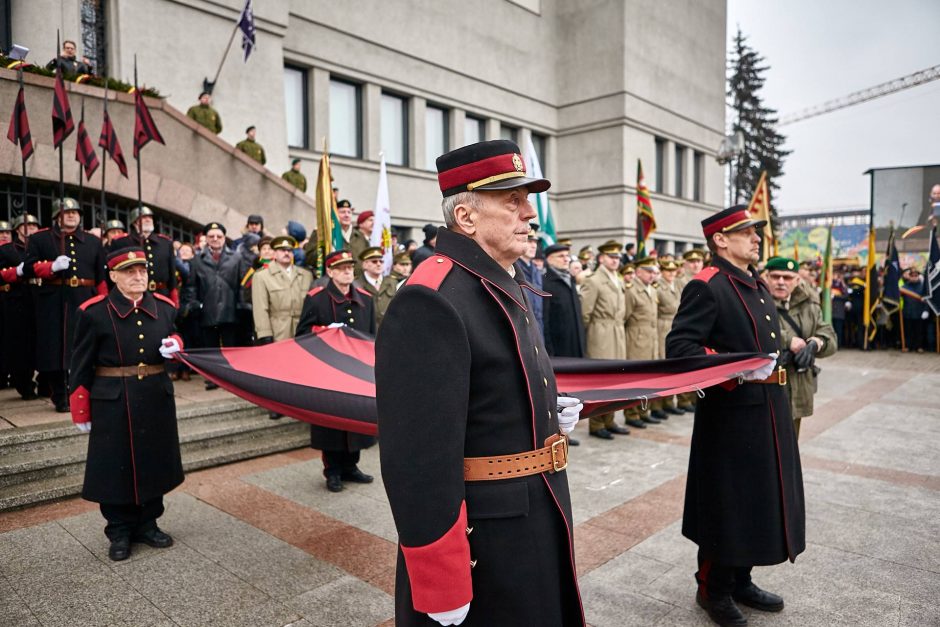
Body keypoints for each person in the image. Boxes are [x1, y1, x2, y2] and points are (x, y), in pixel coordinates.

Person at [376, 139, 584, 626]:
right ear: (466, 218)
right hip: (486, 534)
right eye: (512, 201)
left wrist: (548, 412)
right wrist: (439, 576)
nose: (529, 214)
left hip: (536, 505)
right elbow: (417, 457)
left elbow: (489, 390)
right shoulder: (434, 297)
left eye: (526, 200)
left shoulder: (499, 278)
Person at [666, 205, 805, 627]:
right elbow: (681, 349)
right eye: (746, 232)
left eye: (755, 232)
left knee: (757, 501)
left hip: (769, 411)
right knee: (727, 504)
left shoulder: (755, 284)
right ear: (720, 239)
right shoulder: (707, 285)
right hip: (730, 416)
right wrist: (737, 369)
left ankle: (741, 577)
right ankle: (713, 588)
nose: (756, 237)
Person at [69, 247, 184, 562]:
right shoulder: (92, 312)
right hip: (112, 399)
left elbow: (173, 335)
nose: (138, 277)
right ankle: (119, 530)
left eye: (143, 271)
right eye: (130, 272)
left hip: (155, 396)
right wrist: (80, 405)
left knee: (154, 459)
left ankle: (148, 523)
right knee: (114, 464)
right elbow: (80, 363)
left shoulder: (165, 307)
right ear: (113, 276)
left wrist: (177, 345)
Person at [296, 249, 376, 493]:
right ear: (329, 272)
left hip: (356, 369)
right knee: (330, 424)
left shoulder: (366, 299)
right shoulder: (316, 298)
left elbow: (371, 336)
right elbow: (302, 335)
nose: (348, 272)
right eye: (341, 268)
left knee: (355, 419)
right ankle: (332, 471)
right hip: (328, 370)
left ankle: (351, 466)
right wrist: (325, 330)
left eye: (351, 267)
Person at [24, 198, 107, 412]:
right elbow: (29, 267)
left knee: (84, 345)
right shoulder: (40, 239)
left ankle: (84, 390)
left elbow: (101, 278)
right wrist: (51, 266)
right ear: (56, 216)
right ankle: (60, 395)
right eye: (66, 212)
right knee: (56, 349)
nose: (71, 215)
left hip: (84, 297)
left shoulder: (93, 242)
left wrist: (103, 301)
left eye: (75, 212)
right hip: (54, 299)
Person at [766, 256, 838, 438]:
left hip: (798, 387)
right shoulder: (758, 303)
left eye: (787, 277)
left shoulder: (809, 304)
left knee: (790, 445)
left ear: (797, 280)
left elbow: (829, 335)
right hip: (768, 388)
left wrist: (816, 343)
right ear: (766, 277)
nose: (781, 282)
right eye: (775, 277)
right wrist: (788, 340)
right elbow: (753, 331)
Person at [190, 222, 250, 388]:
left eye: (219, 236)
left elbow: (242, 284)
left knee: (230, 345)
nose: (215, 239)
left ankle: (231, 377)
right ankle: (213, 378)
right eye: (211, 236)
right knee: (211, 347)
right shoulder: (197, 259)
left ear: (224, 238)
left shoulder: (236, 258)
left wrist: (242, 305)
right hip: (207, 309)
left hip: (230, 308)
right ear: (206, 238)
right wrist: (195, 304)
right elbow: (192, 286)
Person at [581, 240, 631, 439]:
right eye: (611, 257)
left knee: (616, 379)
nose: (615, 260)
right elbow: (585, 313)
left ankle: (609, 420)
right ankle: (596, 423)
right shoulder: (594, 280)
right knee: (601, 380)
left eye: (618, 257)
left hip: (617, 331)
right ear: (601, 258)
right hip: (601, 332)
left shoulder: (617, 278)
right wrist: (590, 336)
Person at [0, 214, 40, 400]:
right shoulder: (9, 250)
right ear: (19, 230)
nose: (30, 229)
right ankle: (23, 383)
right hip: (15, 301)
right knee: (19, 345)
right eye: (26, 226)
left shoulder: (38, 246)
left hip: (36, 299)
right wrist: (17, 272)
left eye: (33, 226)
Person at [623, 257, 663, 425]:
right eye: (648, 271)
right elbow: (625, 317)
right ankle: (632, 414)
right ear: (638, 272)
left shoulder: (652, 290)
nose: (652, 275)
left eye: (654, 272)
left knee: (649, 377)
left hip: (651, 337)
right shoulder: (631, 291)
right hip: (636, 337)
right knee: (635, 378)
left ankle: (644, 412)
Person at [112, 206, 179, 305]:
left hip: (161, 295)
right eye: (143, 217)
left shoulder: (165, 242)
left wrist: (174, 298)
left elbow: (172, 273)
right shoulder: (122, 242)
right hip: (132, 296)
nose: (148, 219)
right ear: (134, 222)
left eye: (150, 217)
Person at [651, 259, 686, 417]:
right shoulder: (658, 287)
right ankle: (657, 405)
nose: (672, 274)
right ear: (663, 272)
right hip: (662, 326)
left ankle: (669, 402)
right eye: (668, 271)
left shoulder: (677, 285)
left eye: (674, 271)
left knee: (672, 366)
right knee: (661, 367)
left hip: (674, 324)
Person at [542, 242, 586, 358]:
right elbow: (544, 320)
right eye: (561, 256)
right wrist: (549, 350)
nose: (566, 259)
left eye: (567, 256)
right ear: (549, 259)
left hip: (577, 344)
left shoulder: (570, 279)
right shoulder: (545, 283)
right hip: (559, 348)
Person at [514, 225, 545, 332]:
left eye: (535, 242)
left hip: (538, 329)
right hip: (523, 330)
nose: (534, 246)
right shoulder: (513, 269)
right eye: (529, 241)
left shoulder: (536, 271)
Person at [374, 251, 411, 328]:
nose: (405, 268)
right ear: (394, 266)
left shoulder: (412, 279)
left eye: (407, 265)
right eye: (402, 264)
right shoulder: (387, 281)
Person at [901, 267, 929, 352]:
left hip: (919, 312)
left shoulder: (923, 287)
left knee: (919, 331)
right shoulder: (904, 286)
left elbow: (926, 300)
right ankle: (908, 346)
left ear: (918, 276)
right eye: (912, 275)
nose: (914, 277)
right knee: (908, 331)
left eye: (915, 275)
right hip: (907, 312)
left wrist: (926, 310)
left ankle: (919, 347)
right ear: (909, 276)